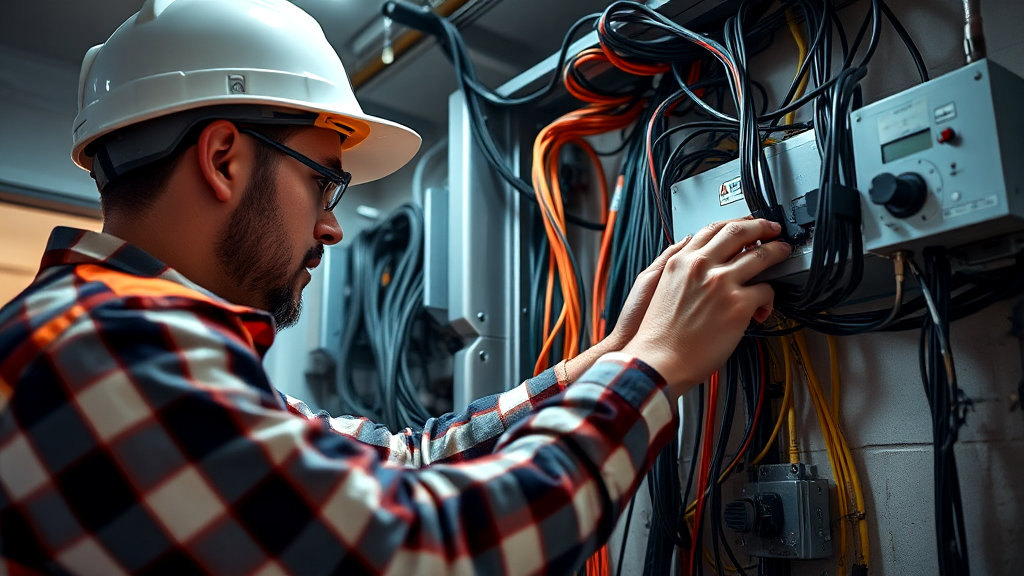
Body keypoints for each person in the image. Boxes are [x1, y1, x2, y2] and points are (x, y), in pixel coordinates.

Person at [0, 0, 790, 574]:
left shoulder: (119, 340)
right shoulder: (103, 349)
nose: (332, 228)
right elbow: (428, 549)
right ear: (223, 159)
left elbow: (397, 458)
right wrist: (652, 370)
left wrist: (610, 356)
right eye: (323, 184)